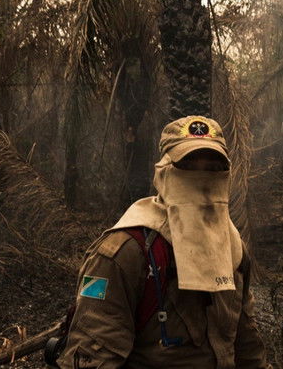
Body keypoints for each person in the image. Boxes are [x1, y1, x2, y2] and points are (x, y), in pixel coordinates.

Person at [56, 116, 271, 369]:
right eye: (188, 166)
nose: (202, 178)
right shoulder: (125, 252)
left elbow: (247, 348)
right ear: (163, 173)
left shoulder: (233, 249)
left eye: (214, 168)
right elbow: (93, 357)